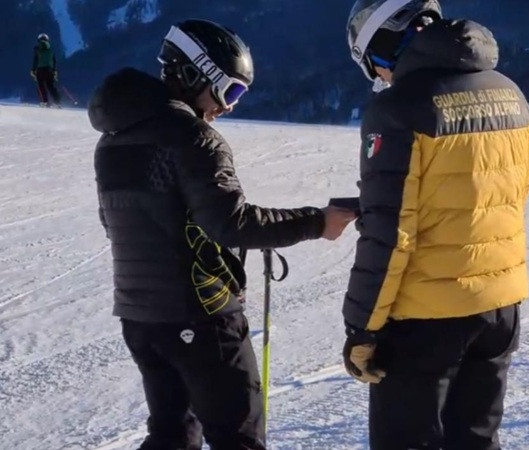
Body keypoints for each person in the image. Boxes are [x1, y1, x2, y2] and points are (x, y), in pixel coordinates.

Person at [90, 19, 356, 449]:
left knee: (171, 435)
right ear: (196, 74)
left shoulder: (112, 141)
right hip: (201, 317)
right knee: (238, 439)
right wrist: (316, 222)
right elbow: (232, 223)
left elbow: (114, 224)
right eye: (230, 91)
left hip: (140, 319)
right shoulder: (194, 138)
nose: (229, 107)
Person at [341, 1, 529, 448]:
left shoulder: (398, 109)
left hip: (426, 318)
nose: (381, 78)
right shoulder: (512, 94)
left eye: (374, 66)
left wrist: (362, 328)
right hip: (499, 308)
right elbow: (505, 197)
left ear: (385, 43)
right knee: (477, 440)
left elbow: (389, 235)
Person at [31, 33, 62, 108]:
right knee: (51, 86)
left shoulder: (37, 49)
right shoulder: (51, 50)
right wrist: (54, 71)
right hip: (50, 70)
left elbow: (36, 60)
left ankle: (44, 102)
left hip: (40, 70)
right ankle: (57, 102)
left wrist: (33, 70)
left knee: (41, 86)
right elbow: (54, 61)